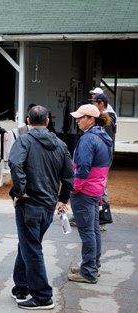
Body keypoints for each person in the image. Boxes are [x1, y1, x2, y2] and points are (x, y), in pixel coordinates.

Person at [8, 105, 74, 310]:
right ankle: (21, 287)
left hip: (30, 204)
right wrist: (63, 199)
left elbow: (14, 163)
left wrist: (20, 191)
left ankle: (43, 297)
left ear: (28, 121)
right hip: (47, 205)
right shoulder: (60, 144)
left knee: (32, 248)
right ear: (47, 121)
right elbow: (69, 174)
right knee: (28, 244)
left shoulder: (25, 140)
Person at [68, 104, 113, 284]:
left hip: (85, 190)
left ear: (91, 119)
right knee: (93, 230)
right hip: (96, 189)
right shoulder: (104, 137)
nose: (77, 120)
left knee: (87, 231)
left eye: (81, 117)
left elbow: (83, 167)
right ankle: (93, 265)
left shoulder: (88, 139)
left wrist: (74, 187)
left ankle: (88, 271)